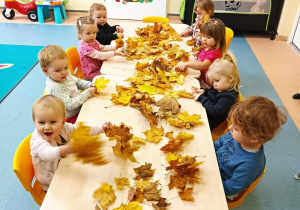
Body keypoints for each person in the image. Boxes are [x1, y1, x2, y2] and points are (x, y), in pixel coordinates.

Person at [30, 95, 112, 191]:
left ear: (62, 122)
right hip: (51, 182)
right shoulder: (37, 141)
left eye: (52, 122)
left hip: (64, 167)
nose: (47, 127)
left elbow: (81, 130)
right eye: (41, 122)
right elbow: (46, 153)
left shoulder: (64, 128)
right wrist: (67, 149)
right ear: (34, 122)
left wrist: (101, 128)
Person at [214, 96, 287, 199]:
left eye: (235, 128)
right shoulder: (236, 135)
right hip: (214, 165)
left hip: (222, 185)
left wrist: (212, 184)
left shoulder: (251, 164)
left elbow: (232, 187)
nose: (230, 128)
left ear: (254, 138)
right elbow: (219, 143)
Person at [38, 45, 97, 124]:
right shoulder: (55, 88)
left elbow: (77, 82)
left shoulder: (64, 76)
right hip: (70, 118)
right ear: (46, 71)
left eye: (66, 68)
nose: (64, 72)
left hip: (79, 106)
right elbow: (70, 105)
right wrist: (87, 93)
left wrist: (89, 85)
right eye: (58, 70)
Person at [191, 52, 240, 130]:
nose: (214, 85)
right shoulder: (221, 87)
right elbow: (212, 93)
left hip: (209, 122)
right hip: (205, 112)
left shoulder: (228, 97)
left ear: (230, 78)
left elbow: (214, 111)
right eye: (213, 81)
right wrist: (204, 91)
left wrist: (202, 98)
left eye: (217, 81)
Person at [178, 18, 226, 86]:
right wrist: (199, 55)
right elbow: (205, 58)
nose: (204, 39)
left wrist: (187, 64)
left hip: (206, 83)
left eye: (208, 37)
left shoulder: (213, 53)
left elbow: (204, 65)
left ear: (218, 39)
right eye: (203, 36)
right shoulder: (208, 46)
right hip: (199, 75)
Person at [77, 16, 124, 80]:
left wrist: (116, 47)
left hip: (98, 66)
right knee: (115, 73)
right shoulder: (84, 47)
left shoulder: (92, 40)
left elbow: (102, 47)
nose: (92, 36)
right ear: (79, 33)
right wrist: (115, 53)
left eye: (94, 32)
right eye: (88, 33)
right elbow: (100, 55)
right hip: (91, 74)